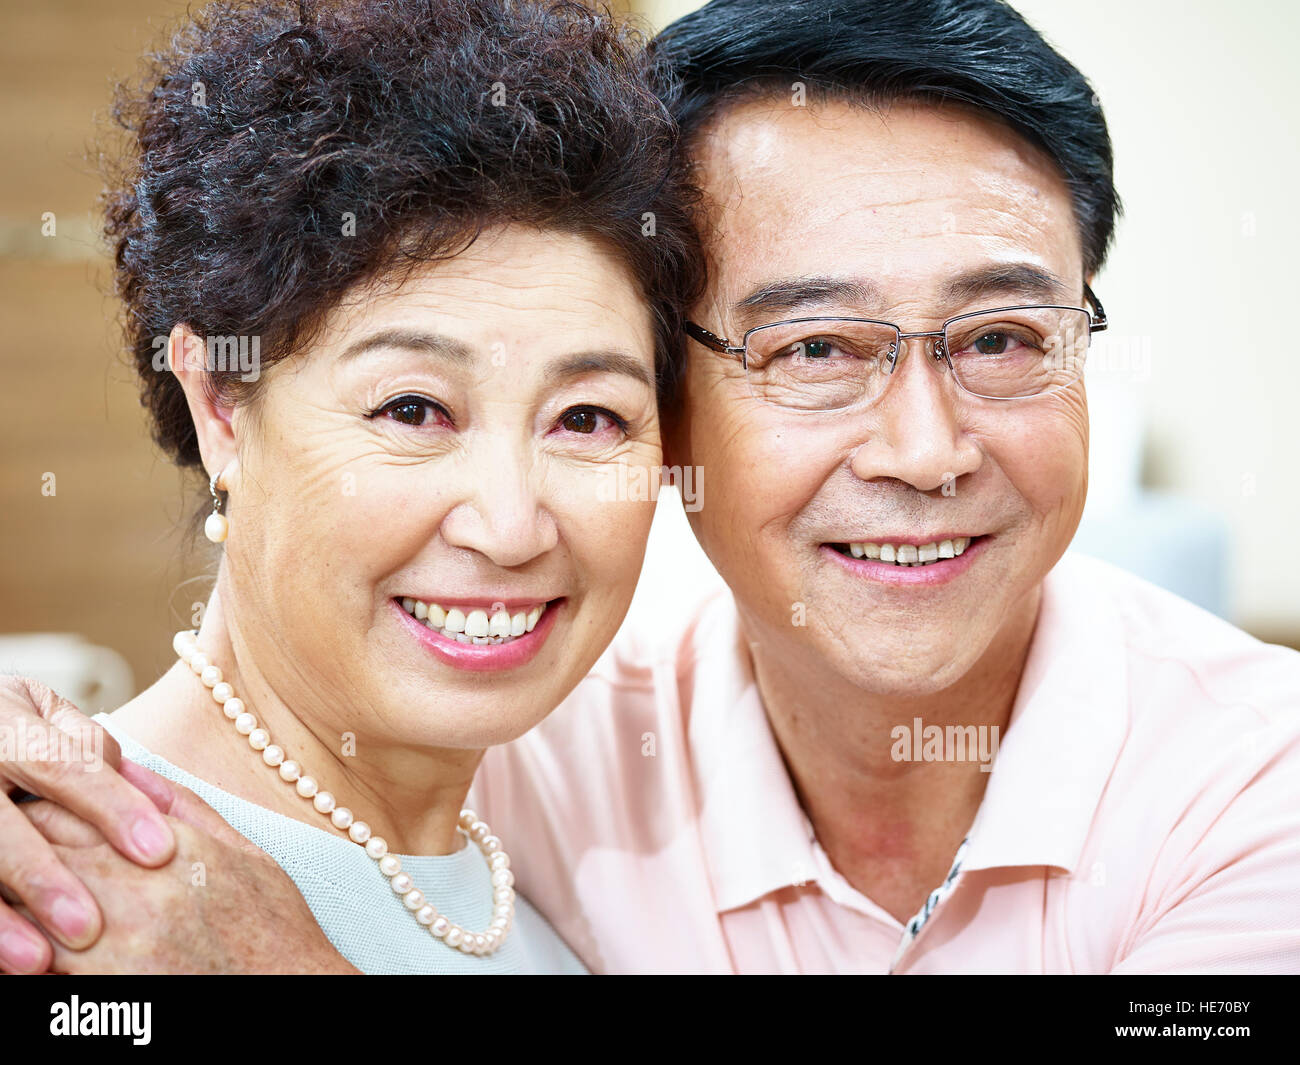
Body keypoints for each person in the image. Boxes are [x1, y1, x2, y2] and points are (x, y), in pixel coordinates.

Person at [5, 0, 1300, 975]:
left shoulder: (508, 788)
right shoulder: (86, 886)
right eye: (815, 349)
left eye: (1004, 339)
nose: (925, 449)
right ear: (220, 401)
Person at [0, 0, 703, 973]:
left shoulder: (562, 898)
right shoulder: (66, 892)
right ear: (218, 407)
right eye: (413, 410)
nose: (508, 527)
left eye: (587, 418)